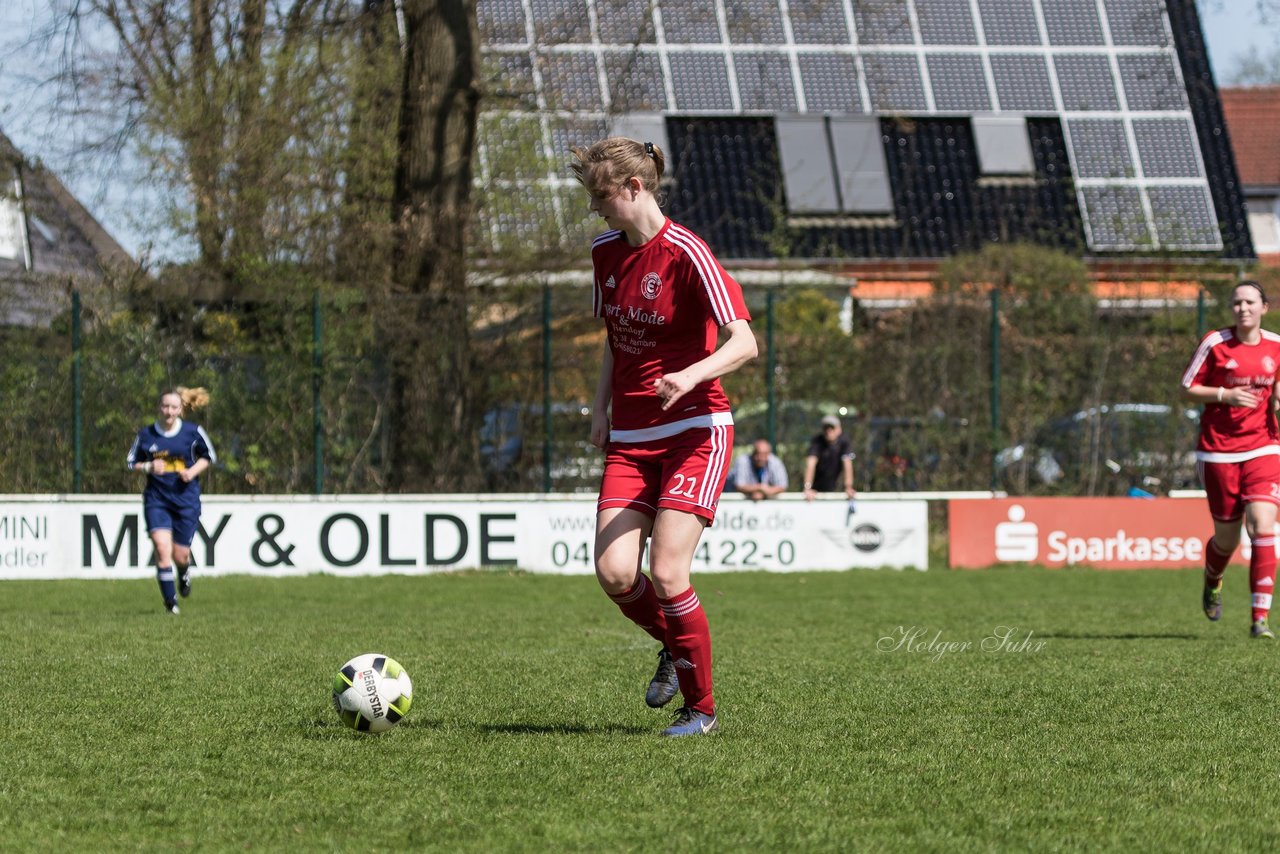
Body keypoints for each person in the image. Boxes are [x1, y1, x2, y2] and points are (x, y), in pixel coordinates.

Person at [572, 137, 757, 737]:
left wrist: (691, 374)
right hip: (630, 437)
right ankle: (675, 648)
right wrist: (600, 411)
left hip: (695, 432)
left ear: (634, 188)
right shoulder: (605, 252)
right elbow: (615, 340)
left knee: (670, 572)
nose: (596, 209)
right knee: (616, 573)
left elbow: (744, 343)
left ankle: (700, 710)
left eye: (602, 197)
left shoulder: (688, 253)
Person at [1181, 280, 1280, 639]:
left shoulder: (1276, 346)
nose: (1243, 309)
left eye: (1250, 302)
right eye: (1237, 303)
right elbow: (1187, 387)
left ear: (1263, 307)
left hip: (1264, 447)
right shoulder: (1215, 343)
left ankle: (1260, 618)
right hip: (1219, 450)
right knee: (1227, 540)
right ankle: (1213, 577)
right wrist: (1224, 393)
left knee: (1263, 526)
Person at [126, 387, 217, 615]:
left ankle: (184, 572)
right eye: (165, 406)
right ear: (159, 407)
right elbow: (130, 462)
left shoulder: (192, 432)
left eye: (173, 407)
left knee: (180, 554)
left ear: (180, 409)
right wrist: (148, 466)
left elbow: (209, 457)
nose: (169, 411)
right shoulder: (147, 435)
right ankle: (171, 603)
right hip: (157, 499)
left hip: (186, 500)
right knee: (161, 547)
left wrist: (192, 471)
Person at [803, 414, 856, 502]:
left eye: (832, 428)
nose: (829, 431)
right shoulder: (817, 442)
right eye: (826, 428)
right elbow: (810, 463)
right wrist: (808, 488)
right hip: (816, 490)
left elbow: (847, 464)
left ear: (839, 429)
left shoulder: (844, 442)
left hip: (835, 489)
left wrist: (848, 487)